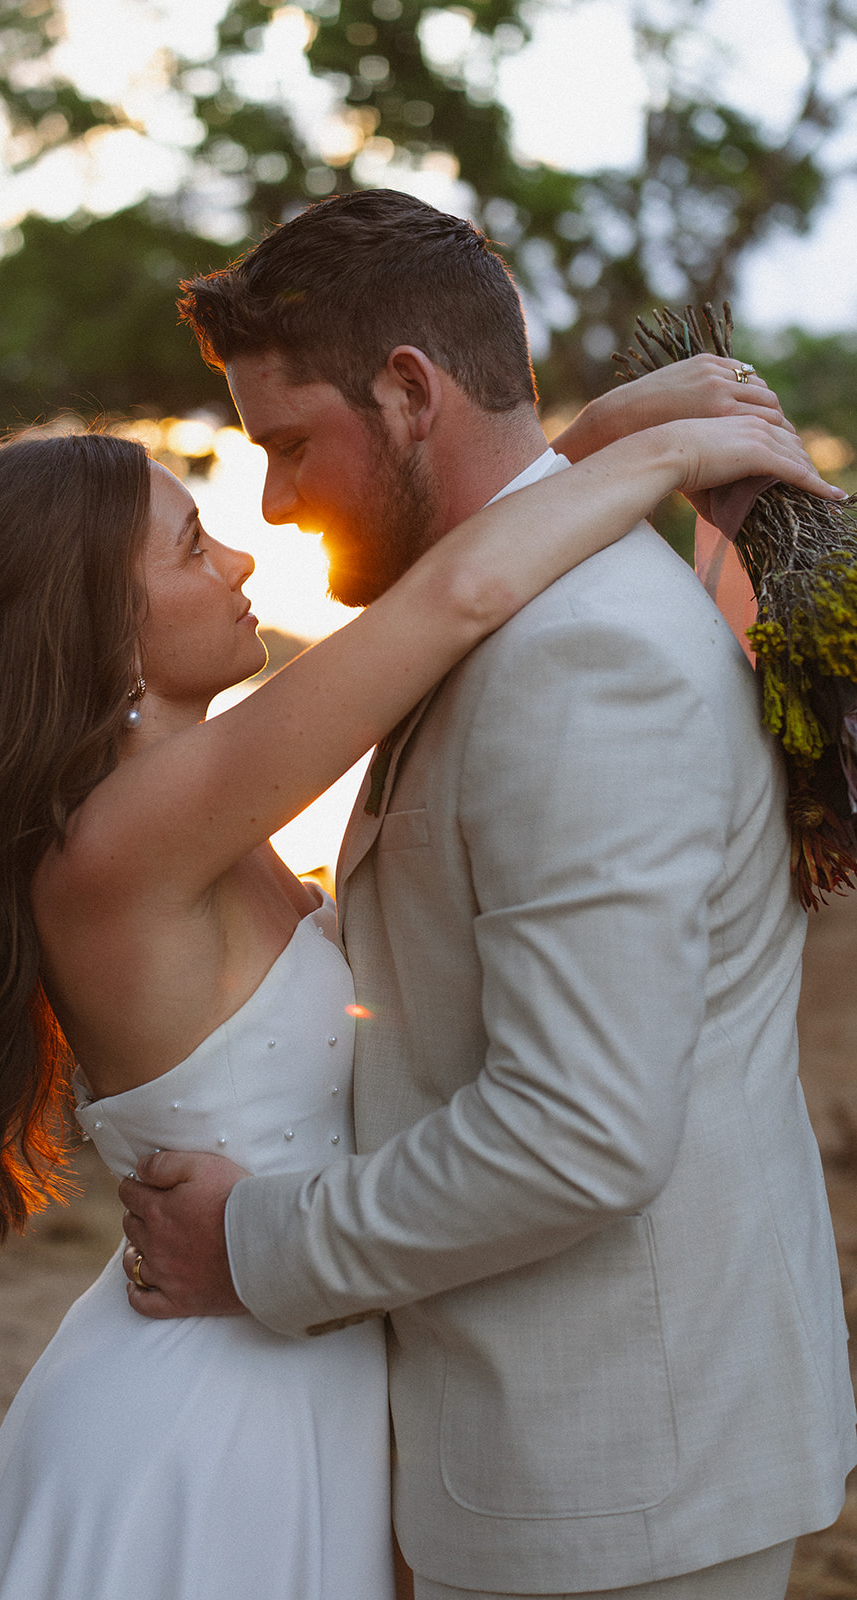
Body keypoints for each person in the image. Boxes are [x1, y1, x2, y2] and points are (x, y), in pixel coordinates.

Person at [118, 189, 857, 1600]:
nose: (272, 501)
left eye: (285, 443)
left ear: (407, 395)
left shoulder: (583, 660)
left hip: (623, 1484)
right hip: (573, 1454)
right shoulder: (516, 606)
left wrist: (252, 1242)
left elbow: (577, 1130)